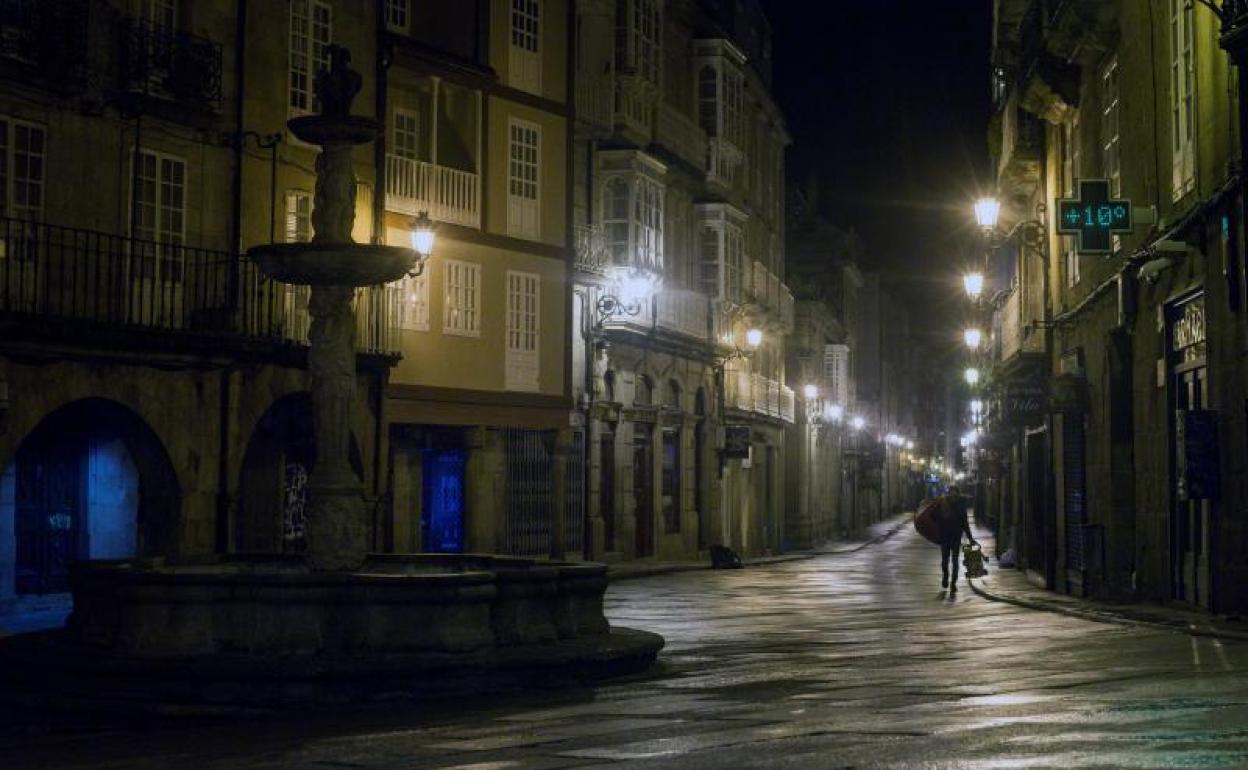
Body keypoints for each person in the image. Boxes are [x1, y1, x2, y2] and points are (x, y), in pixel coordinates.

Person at [940, 484, 977, 590]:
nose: (953, 494)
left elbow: (965, 523)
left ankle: (953, 582)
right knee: (944, 561)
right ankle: (945, 576)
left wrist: (970, 538)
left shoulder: (961, 506)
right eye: (951, 492)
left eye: (954, 492)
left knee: (955, 560)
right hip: (945, 537)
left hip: (956, 537)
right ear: (949, 493)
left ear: (957, 493)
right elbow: (938, 520)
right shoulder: (944, 504)